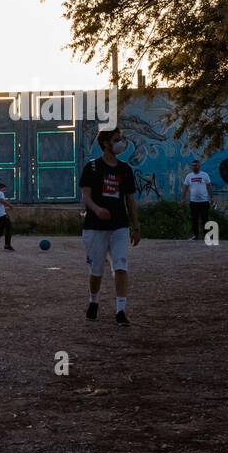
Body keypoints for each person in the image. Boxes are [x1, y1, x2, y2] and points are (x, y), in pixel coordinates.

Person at [80, 127, 141, 326]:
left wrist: (136, 225)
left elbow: (130, 199)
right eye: (117, 139)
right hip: (94, 226)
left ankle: (121, 310)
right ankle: (93, 301)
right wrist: (97, 209)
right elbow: (86, 196)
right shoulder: (92, 168)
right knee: (96, 270)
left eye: (121, 139)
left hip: (119, 226)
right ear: (106, 143)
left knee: (121, 266)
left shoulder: (125, 169)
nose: (121, 143)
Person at [182, 158, 213, 240]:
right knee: (194, 220)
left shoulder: (205, 175)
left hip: (204, 202)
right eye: (193, 166)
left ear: (199, 166)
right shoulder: (189, 176)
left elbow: (209, 186)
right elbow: (185, 187)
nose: (194, 167)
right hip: (193, 202)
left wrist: (212, 197)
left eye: (196, 165)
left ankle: (207, 236)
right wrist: (183, 198)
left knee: (205, 219)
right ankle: (196, 236)